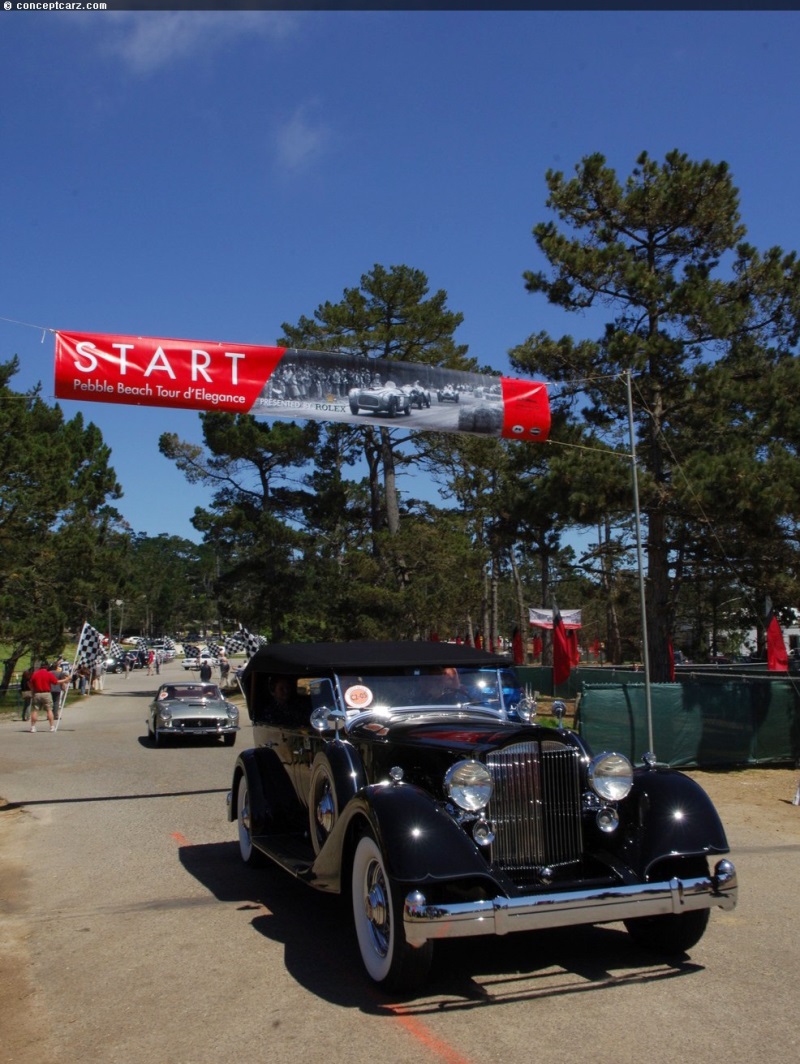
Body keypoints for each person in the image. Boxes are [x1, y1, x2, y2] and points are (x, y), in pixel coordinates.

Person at [28, 662, 70, 732]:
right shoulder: (48, 674)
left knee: (35, 710)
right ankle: (51, 726)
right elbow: (56, 682)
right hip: (46, 693)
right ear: (47, 667)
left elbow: (30, 683)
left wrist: (32, 690)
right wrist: (66, 680)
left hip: (37, 693)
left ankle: (33, 727)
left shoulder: (35, 674)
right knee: (49, 710)